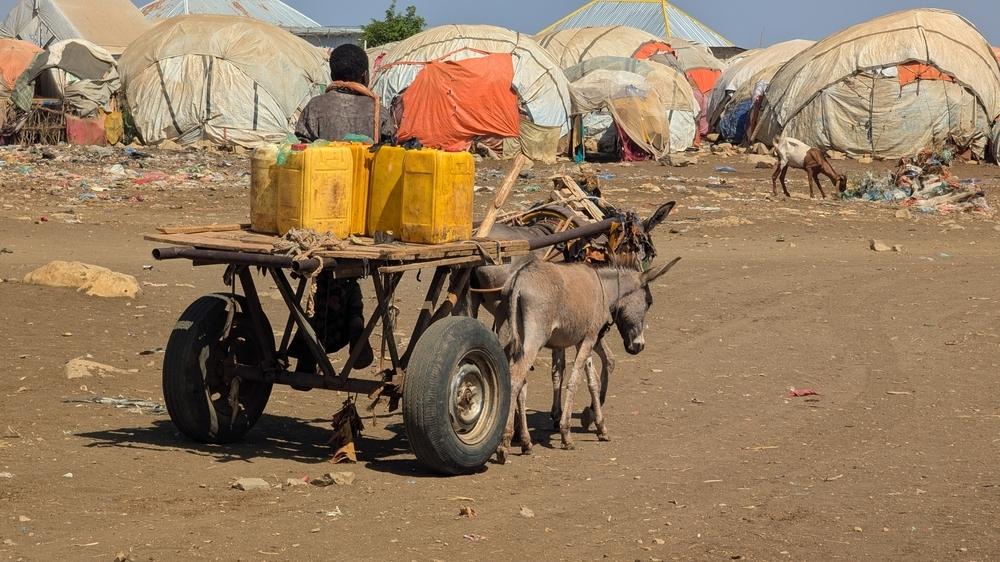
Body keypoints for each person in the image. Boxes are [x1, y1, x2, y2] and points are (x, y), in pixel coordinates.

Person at [288, 44, 379, 376]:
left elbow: (297, 151)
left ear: (332, 74)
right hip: (366, 218)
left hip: (318, 215)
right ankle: (353, 323)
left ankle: (309, 348)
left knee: (324, 278)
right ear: (364, 75)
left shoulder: (315, 107)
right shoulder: (376, 110)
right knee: (343, 277)